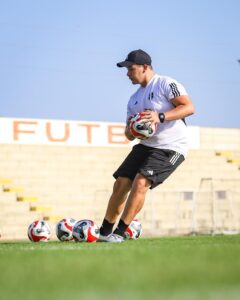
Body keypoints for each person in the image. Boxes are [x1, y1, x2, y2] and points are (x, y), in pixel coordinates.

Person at [99, 49, 195, 242]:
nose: (127, 74)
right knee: (120, 184)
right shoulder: (134, 99)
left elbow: (189, 107)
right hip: (146, 145)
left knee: (140, 182)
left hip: (172, 146)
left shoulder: (166, 84)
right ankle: (103, 233)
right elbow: (128, 133)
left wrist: (159, 116)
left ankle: (120, 234)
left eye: (130, 69)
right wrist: (133, 130)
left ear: (145, 67)